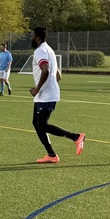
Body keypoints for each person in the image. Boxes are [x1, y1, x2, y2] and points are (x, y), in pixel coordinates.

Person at [29, 26, 85, 164]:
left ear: (37, 38)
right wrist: (51, 83)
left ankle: (76, 137)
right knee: (37, 124)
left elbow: (46, 70)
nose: (31, 38)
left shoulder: (40, 51)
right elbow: (58, 74)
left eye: (32, 35)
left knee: (42, 125)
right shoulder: (49, 50)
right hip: (46, 94)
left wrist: (37, 89)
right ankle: (51, 155)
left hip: (46, 95)